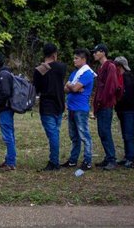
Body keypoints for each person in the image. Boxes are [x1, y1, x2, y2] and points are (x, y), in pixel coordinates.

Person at [33, 43, 67, 171]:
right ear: (54, 54)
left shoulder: (39, 70)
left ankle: (54, 162)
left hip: (47, 105)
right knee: (55, 132)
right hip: (59, 103)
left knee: (53, 134)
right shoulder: (62, 67)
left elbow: (36, 88)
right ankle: (54, 159)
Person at [60, 49, 95, 171]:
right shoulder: (75, 72)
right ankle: (73, 160)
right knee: (74, 136)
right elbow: (66, 88)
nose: (74, 60)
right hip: (72, 108)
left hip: (81, 109)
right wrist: (72, 87)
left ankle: (88, 160)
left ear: (83, 59)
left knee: (84, 135)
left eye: (76, 58)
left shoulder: (86, 74)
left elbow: (73, 88)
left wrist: (72, 87)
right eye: (74, 58)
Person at [92, 43, 119, 170]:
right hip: (100, 104)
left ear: (103, 52)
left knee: (105, 131)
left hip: (106, 104)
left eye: (96, 52)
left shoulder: (111, 66)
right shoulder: (101, 67)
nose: (94, 54)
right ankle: (108, 157)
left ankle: (112, 159)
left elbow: (111, 87)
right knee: (101, 131)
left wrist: (102, 100)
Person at [0, 53, 16, 171]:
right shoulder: (6, 73)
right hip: (7, 109)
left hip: (5, 109)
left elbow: (5, 92)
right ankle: (9, 159)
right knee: (9, 134)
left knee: (8, 135)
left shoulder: (2, 75)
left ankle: (10, 162)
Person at [113, 56, 134, 169]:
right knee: (125, 135)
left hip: (129, 110)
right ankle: (127, 156)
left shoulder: (127, 78)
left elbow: (127, 96)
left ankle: (130, 159)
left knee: (128, 135)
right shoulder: (121, 77)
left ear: (119, 66)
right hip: (123, 110)